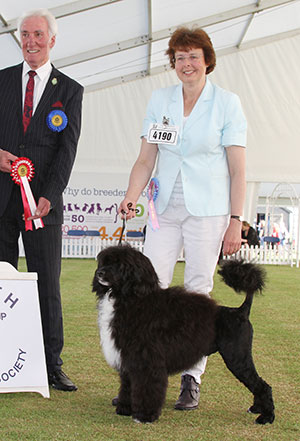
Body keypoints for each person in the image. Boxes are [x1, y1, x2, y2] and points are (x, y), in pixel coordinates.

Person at [119, 27, 247, 411]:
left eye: (193, 56)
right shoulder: (160, 99)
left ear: (207, 60)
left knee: (197, 291)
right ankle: (139, 375)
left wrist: (236, 220)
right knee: (147, 289)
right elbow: (146, 159)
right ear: (172, 63)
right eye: (179, 57)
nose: (186, 64)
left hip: (208, 211)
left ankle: (192, 377)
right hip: (163, 209)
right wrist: (131, 197)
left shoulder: (227, 103)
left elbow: (238, 170)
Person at [0, 9, 83, 391]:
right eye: (25, 34)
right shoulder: (0, 81)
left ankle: (52, 364)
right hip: (1, 200)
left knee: (46, 285)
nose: (31, 41)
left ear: (52, 39)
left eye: (38, 34)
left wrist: (49, 195)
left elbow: (67, 151)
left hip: (42, 207)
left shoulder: (69, 90)